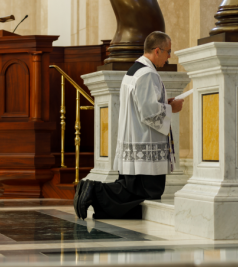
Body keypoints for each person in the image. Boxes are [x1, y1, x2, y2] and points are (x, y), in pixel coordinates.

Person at [74, 31, 184, 220]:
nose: (169, 57)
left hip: (135, 142)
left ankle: (93, 192)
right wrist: (171, 108)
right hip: (145, 144)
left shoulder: (134, 71)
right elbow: (150, 113)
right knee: (142, 193)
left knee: (131, 193)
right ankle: (93, 189)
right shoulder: (148, 74)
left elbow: (142, 105)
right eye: (168, 51)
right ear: (157, 51)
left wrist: (164, 102)